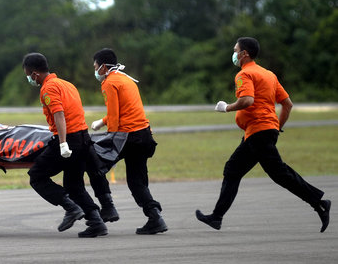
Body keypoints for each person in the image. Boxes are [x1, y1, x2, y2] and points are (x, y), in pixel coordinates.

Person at [195, 37, 331, 233]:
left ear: (244, 54)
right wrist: (277, 127)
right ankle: (216, 217)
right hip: (259, 132)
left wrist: (226, 108)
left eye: (235, 50)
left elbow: (247, 100)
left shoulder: (245, 74)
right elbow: (287, 105)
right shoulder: (268, 75)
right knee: (233, 169)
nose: (233, 54)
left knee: (279, 173)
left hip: (259, 132)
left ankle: (318, 202)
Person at [22, 53, 108, 238]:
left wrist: (62, 144)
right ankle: (96, 222)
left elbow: (59, 114)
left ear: (35, 73)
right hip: (83, 138)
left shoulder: (48, 88)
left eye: (28, 74)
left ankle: (70, 208)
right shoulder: (66, 84)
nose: (28, 78)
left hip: (68, 140)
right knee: (74, 185)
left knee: (36, 176)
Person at [90, 48, 168, 235]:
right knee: (136, 181)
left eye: (94, 66)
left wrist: (110, 143)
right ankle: (155, 217)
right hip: (144, 135)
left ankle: (107, 208)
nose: (94, 70)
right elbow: (125, 110)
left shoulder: (109, 83)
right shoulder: (126, 79)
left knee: (93, 163)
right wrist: (102, 121)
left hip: (128, 137)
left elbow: (116, 118)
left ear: (102, 67)